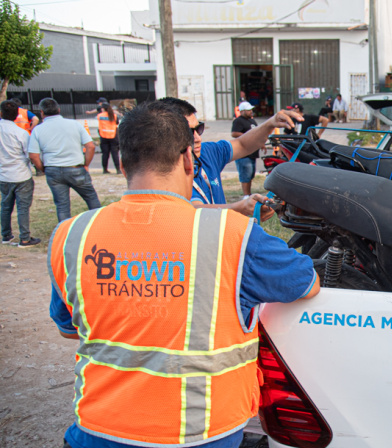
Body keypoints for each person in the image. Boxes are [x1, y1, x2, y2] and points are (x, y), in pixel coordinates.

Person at [48, 100, 320, 448]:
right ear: (189, 160)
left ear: (121, 161)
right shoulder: (232, 234)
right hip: (202, 433)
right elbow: (305, 283)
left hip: (96, 431)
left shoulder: (71, 235)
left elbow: (69, 328)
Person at [159, 97, 302, 216]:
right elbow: (191, 212)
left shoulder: (206, 152)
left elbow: (242, 145)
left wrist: (271, 123)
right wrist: (238, 208)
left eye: (199, 129)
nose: (197, 138)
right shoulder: (162, 171)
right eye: (188, 132)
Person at [28, 98, 101, 222]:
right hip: (75, 167)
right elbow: (90, 146)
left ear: (42, 112)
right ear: (59, 110)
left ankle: (65, 232)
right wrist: (85, 163)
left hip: (53, 169)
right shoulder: (74, 124)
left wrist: (43, 168)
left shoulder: (38, 130)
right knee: (91, 198)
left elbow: (33, 155)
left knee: (62, 205)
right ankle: (98, 226)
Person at [0, 100, 40, 247]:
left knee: (5, 205)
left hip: (3, 175)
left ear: (1, 113)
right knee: (22, 207)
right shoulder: (22, 133)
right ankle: (24, 238)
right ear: (17, 115)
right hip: (21, 174)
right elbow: (29, 154)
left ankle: (6, 235)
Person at [232, 101, 261, 198]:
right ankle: (246, 195)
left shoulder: (252, 121)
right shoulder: (238, 121)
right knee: (245, 174)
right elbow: (234, 133)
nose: (251, 112)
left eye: (251, 110)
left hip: (252, 152)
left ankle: (249, 193)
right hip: (244, 154)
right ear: (242, 111)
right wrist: (248, 136)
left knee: (251, 174)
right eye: (248, 110)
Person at [97, 102, 120, 174]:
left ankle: (105, 169)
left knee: (105, 154)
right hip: (113, 136)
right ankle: (118, 169)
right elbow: (117, 123)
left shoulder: (99, 116)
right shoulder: (114, 116)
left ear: (103, 108)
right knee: (115, 154)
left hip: (103, 136)